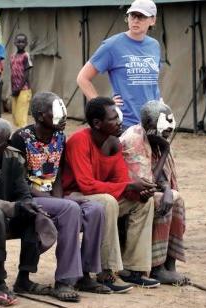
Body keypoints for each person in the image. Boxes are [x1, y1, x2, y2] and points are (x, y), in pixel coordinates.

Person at [10, 92, 111, 295]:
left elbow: (56, 176)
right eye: (57, 111)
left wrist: (58, 199)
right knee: (70, 208)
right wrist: (53, 201)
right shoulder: (21, 138)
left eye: (63, 109)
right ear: (40, 116)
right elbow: (17, 181)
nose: (64, 115)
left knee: (96, 209)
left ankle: (85, 274)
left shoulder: (59, 137)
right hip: (29, 197)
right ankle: (64, 279)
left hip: (51, 197)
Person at [62, 96, 160, 291]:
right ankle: (106, 272)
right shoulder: (79, 141)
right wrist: (128, 187)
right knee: (107, 202)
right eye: (113, 118)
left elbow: (120, 182)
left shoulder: (113, 143)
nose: (119, 121)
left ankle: (133, 269)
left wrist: (137, 191)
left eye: (118, 117)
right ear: (97, 123)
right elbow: (86, 185)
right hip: (74, 197)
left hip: (100, 195)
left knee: (143, 202)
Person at [0, 118, 51, 306]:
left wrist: (28, 205)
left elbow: (22, 191)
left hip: (7, 209)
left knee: (30, 215)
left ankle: (24, 277)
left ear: (7, 143)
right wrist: (16, 207)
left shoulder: (15, 157)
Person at [120, 100, 187, 284]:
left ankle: (169, 264)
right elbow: (147, 185)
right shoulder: (135, 139)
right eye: (165, 131)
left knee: (175, 199)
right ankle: (157, 267)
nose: (168, 136)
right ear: (149, 125)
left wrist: (166, 190)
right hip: (129, 195)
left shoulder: (156, 138)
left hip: (146, 190)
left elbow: (162, 177)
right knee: (163, 200)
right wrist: (165, 150)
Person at [76, 0, 161, 129]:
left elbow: (152, 83)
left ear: (153, 20)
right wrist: (102, 106)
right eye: (132, 15)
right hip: (123, 123)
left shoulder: (154, 45)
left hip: (151, 122)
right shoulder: (112, 45)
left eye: (141, 16)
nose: (135, 20)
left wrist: (159, 107)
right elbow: (82, 78)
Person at [10, 33, 33, 128]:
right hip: (15, 90)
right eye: (18, 42)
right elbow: (12, 74)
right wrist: (13, 89)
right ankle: (18, 137)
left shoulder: (26, 56)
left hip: (24, 89)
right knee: (15, 117)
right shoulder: (12, 56)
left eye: (23, 42)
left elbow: (26, 74)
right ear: (15, 43)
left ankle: (24, 139)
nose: (20, 44)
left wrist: (19, 88)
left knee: (21, 117)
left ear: (26, 43)